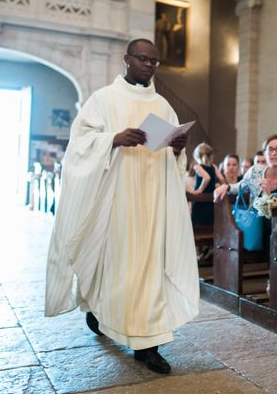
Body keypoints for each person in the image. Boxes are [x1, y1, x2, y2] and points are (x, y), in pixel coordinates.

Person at [45, 39, 199, 375]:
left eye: (155, 61)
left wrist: (176, 148)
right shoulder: (102, 99)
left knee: (150, 273)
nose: (149, 65)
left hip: (153, 203)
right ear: (126, 59)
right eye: (143, 59)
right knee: (118, 270)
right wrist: (113, 139)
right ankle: (101, 312)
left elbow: (172, 161)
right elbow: (79, 146)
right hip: (116, 203)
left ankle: (148, 347)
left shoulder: (162, 106)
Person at [214, 134, 277, 201]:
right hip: (254, 223)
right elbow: (241, 186)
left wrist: (268, 197)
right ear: (265, 154)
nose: (274, 153)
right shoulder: (255, 170)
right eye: (270, 149)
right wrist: (227, 187)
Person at [190, 142, 225, 226]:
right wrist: (223, 187)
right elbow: (222, 178)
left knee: (197, 225)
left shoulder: (197, 167)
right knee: (209, 226)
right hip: (211, 199)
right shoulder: (214, 166)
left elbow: (207, 178)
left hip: (200, 200)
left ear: (196, 155)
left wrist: (199, 190)